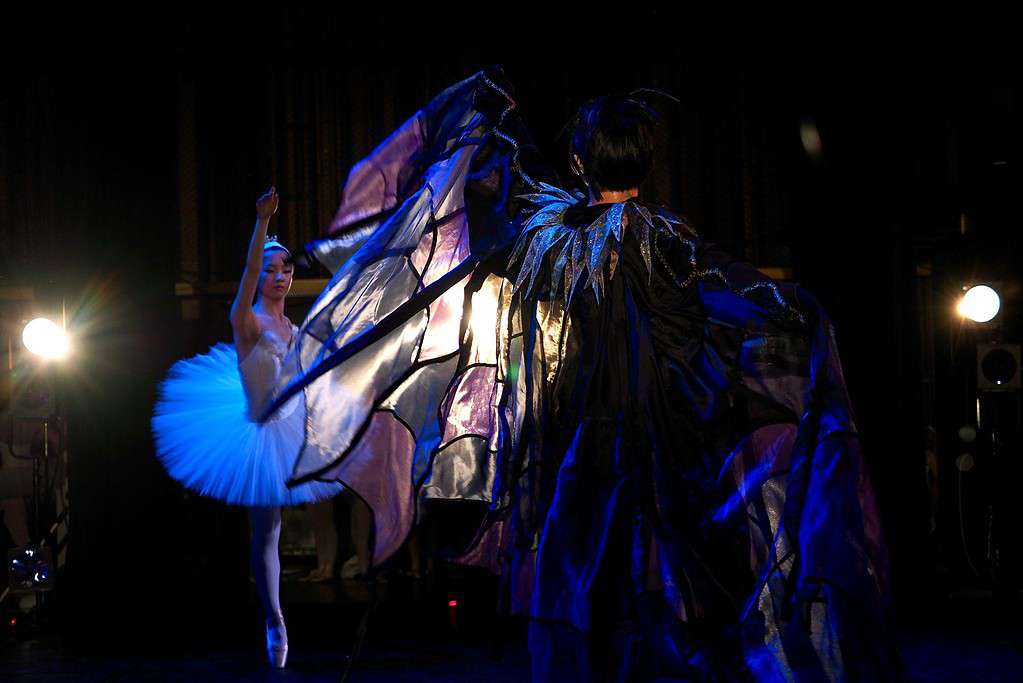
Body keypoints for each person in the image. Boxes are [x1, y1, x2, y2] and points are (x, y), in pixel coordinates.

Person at [267, 70, 904, 680]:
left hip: (579, 446)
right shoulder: (667, 242)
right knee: (665, 580)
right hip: (663, 447)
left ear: (580, 163)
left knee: (583, 587)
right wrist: (802, 311)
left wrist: (498, 108)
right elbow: (736, 288)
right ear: (645, 165)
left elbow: (518, 177)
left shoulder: (551, 238)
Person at [151, 187, 343, 668]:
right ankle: (274, 618)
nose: (278, 277)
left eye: (287, 270)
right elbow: (251, 272)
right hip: (255, 433)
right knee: (266, 530)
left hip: (291, 427)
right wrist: (262, 223)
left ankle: (279, 615)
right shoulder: (248, 322)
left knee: (275, 527)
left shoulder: (295, 330)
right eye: (272, 270)